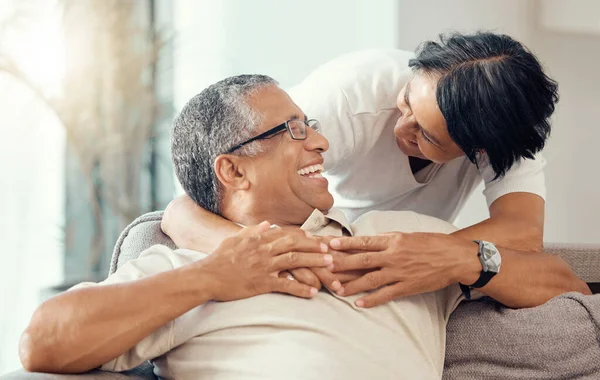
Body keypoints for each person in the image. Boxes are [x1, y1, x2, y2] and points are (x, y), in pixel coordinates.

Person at [19, 75, 589, 379]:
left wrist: (466, 260)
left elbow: (564, 282)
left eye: (310, 124)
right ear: (233, 168)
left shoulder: (399, 237)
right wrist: (214, 277)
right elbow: (41, 342)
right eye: (292, 130)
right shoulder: (183, 269)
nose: (320, 141)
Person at [162, 32, 570, 307]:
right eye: (407, 101)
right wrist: (281, 259)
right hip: (322, 248)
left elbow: (522, 234)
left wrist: (435, 256)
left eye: (426, 136)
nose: (400, 127)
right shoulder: (346, 96)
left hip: (395, 267)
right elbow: (203, 195)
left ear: (477, 151)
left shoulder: (502, 129)